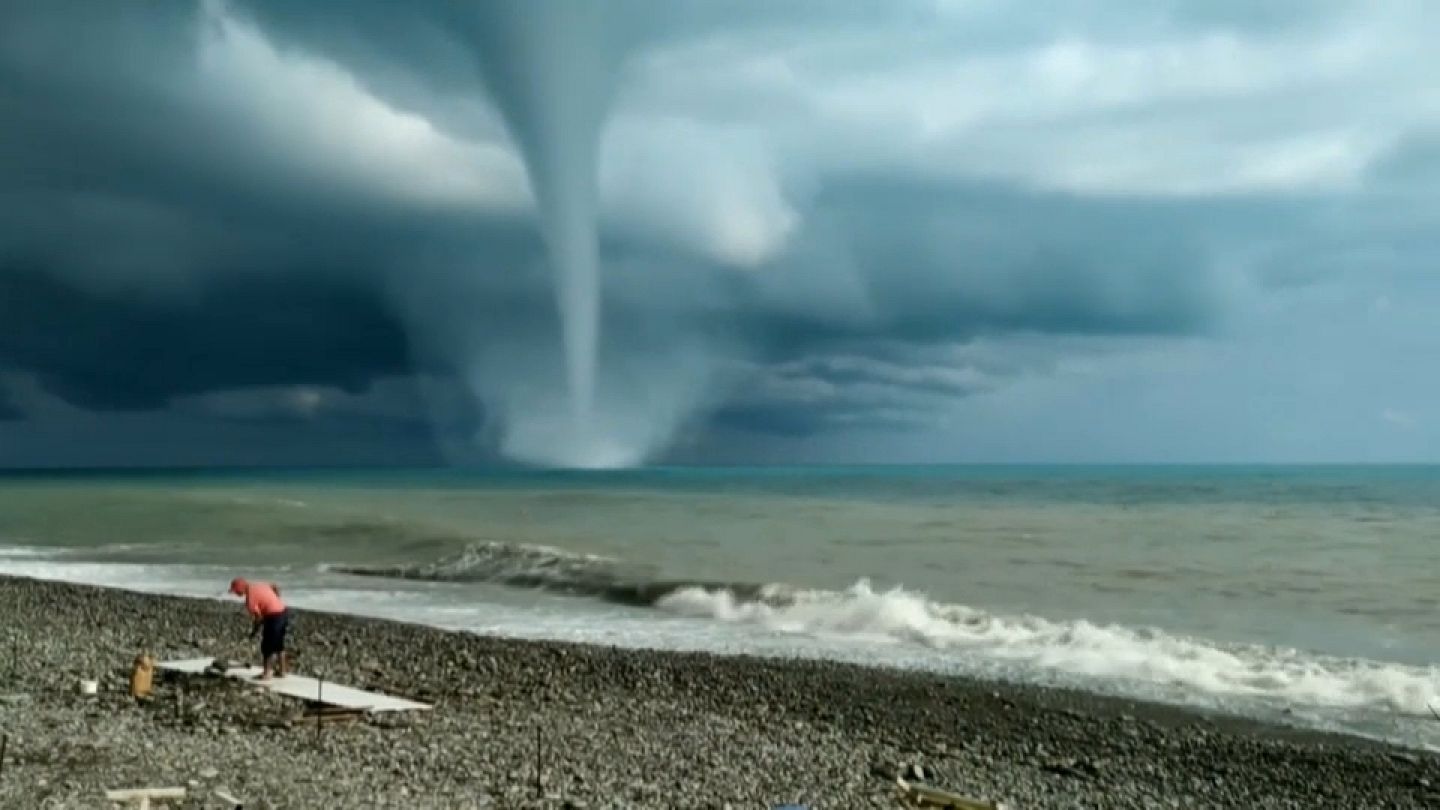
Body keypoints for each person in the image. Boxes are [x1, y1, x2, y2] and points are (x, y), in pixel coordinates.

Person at [228, 577, 290, 680]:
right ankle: (282, 671)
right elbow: (275, 586)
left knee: (267, 647)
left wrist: (254, 631)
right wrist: (277, 599)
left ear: (240, 588)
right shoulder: (260, 585)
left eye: (236, 591)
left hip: (273, 616)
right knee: (279, 644)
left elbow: (259, 618)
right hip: (283, 612)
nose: (236, 594)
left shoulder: (250, 600)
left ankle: (266, 674)